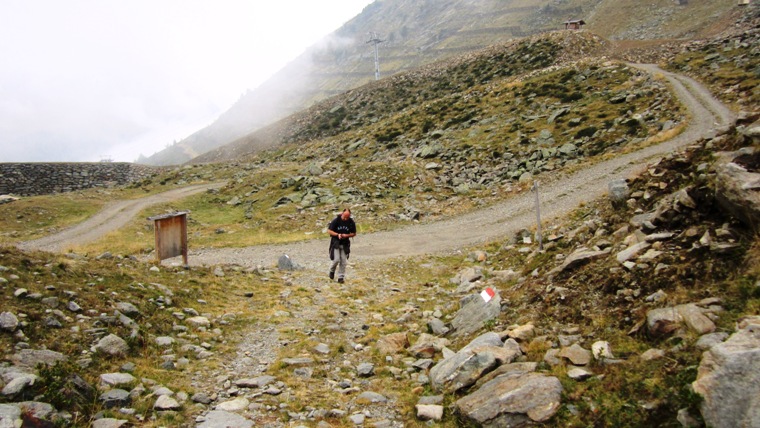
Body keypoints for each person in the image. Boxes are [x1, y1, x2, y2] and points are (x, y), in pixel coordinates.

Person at [327, 208, 357, 283]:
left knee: (343, 261)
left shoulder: (351, 222)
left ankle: (341, 277)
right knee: (336, 259)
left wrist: (346, 235)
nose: (345, 218)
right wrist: (338, 234)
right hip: (336, 242)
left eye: (347, 217)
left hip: (345, 243)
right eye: (344, 216)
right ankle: (332, 270)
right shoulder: (336, 220)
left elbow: (354, 233)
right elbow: (329, 231)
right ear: (342, 213)